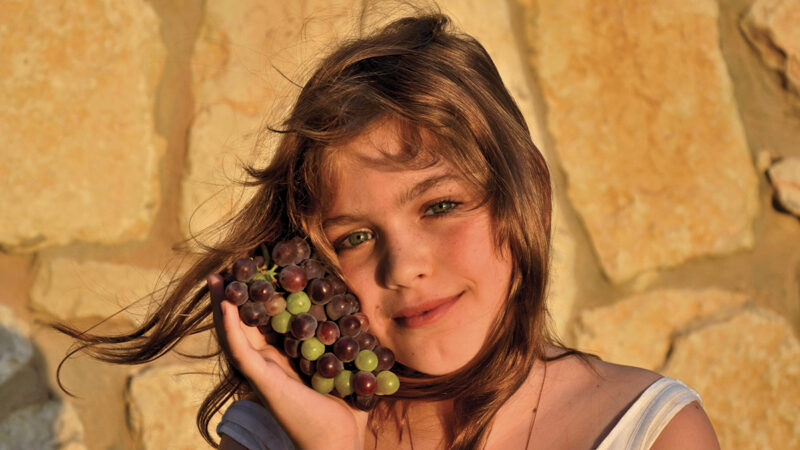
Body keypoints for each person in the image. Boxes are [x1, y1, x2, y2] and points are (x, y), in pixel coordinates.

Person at [58, 12, 720, 450]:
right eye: (355, 238)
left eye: (438, 206)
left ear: (528, 192)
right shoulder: (276, 433)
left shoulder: (646, 430)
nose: (403, 266)